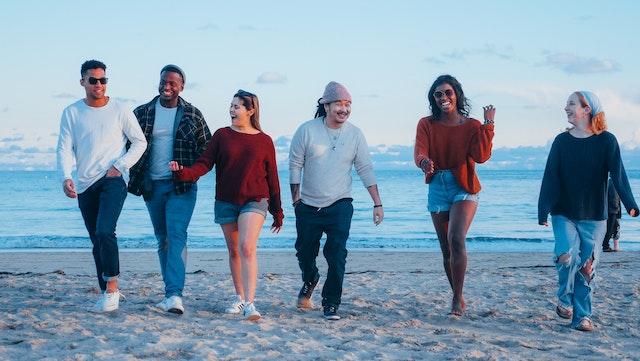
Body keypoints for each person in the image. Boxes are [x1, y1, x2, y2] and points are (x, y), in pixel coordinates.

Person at [169, 90, 283, 321]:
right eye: (230, 106)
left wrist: (277, 211)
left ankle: (250, 303)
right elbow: (204, 164)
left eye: (237, 106)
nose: (232, 110)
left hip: (255, 199)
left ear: (250, 111)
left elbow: (272, 177)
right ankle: (239, 297)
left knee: (247, 248)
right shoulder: (221, 136)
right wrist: (183, 173)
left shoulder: (264, 141)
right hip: (226, 201)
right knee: (234, 251)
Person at [538, 91, 638, 332]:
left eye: (571, 104)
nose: (566, 108)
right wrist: (544, 210)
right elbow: (551, 176)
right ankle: (564, 297)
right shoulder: (561, 141)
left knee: (587, 267)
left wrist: (631, 204)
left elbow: (618, 174)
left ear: (587, 109)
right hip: (563, 212)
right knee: (565, 255)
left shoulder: (607, 141)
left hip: (595, 216)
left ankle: (582, 316)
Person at [56, 59, 147, 312]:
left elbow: (139, 142)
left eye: (103, 80)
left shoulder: (120, 109)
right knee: (97, 239)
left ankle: (112, 290)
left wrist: (120, 165)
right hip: (85, 184)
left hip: (113, 180)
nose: (99, 84)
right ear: (82, 82)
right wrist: (65, 176)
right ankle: (107, 289)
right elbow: (63, 148)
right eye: (93, 80)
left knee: (105, 230)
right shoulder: (71, 112)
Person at [289, 81, 384, 321]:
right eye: (339, 104)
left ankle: (331, 303)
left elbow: (365, 168)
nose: (344, 109)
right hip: (308, 205)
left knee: (337, 254)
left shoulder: (355, 134)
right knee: (304, 252)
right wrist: (296, 199)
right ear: (326, 105)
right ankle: (310, 279)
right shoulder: (307, 130)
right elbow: (295, 165)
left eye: (348, 104)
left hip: (340, 203)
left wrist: (377, 203)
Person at [128, 65, 211, 315]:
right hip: (152, 186)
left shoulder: (192, 114)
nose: (167, 86)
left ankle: (174, 295)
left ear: (181, 87)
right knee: (162, 240)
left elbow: (206, 150)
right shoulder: (141, 113)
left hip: (182, 186)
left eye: (173, 83)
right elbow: (125, 144)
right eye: (164, 81)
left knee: (176, 235)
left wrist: (188, 170)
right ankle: (170, 292)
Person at [413, 74, 495, 316]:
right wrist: (424, 162)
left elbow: (481, 156)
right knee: (446, 248)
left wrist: (488, 125)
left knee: (456, 237)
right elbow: (420, 150)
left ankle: (457, 299)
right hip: (437, 186)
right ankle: (456, 293)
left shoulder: (471, 126)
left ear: (456, 94)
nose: (443, 98)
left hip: (464, 186)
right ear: (434, 99)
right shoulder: (426, 124)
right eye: (438, 94)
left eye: (447, 92)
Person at [602, 178, 622, 252]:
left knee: (614, 227)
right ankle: (605, 246)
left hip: (611, 209)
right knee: (610, 228)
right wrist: (616, 208)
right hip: (612, 210)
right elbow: (614, 197)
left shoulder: (610, 182)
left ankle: (611, 246)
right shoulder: (613, 183)